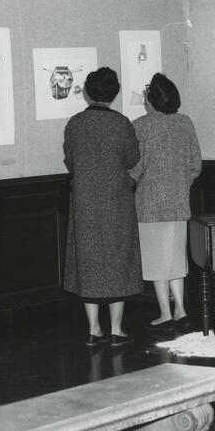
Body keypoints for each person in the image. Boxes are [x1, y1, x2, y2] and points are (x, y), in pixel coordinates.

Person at [62, 67, 142, 347]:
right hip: (117, 201)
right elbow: (132, 158)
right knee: (119, 260)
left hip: (84, 202)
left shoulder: (75, 124)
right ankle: (117, 329)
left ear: (87, 92)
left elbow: (71, 162)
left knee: (89, 262)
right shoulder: (122, 124)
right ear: (114, 93)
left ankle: (94, 329)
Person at [130, 73, 203, 330]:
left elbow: (135, 167)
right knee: (175, 258)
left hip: (149, 203)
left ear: (151, 100)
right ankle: (180, 308)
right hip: (179, 200)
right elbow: (196, 165)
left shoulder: (141, 125)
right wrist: (182, 184)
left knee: (155, 260)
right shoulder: (185, 123)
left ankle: (164, 311)